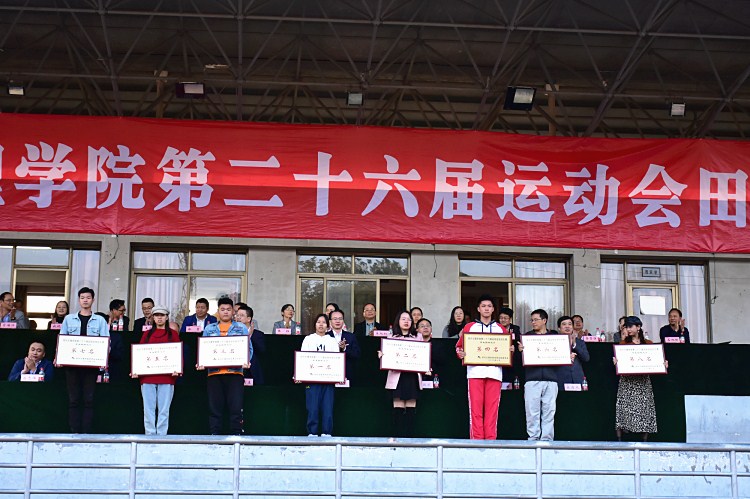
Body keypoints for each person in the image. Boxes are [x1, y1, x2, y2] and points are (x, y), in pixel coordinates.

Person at [455, 294, 509, 440]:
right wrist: (460, 353)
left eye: (489, 306)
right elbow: (458, 347)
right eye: (483, 306)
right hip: (475, 373)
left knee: (492, 410)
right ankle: (477, 440)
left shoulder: (500, 329)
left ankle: (491, 440)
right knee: (475, 409)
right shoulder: (469, 327)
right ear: (478, 309)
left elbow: (508, 349)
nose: (486, 309)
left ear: (493, 309)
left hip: (495, 373)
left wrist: (510, 350)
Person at [59, 287, 109, 433]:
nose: (85, 300)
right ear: (79, 300)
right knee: (73, 399)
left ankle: (86, 432)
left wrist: (103, 361)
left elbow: (106, 342)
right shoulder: (69, 319)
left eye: (88, 297)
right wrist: (60, 357)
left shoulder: (100, 320)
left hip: (91, 367)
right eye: (82, 298)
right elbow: (62, 340)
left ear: (93, 300)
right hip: (72, 366)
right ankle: (74, 431)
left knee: (89, 400)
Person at [200, 297, 252, 435]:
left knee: (236, 407)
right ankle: (215, 435)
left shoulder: (240, 327)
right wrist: (202, 362)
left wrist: (247, 360)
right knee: (214, 407)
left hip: (235, 373)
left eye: (228, 309)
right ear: (218, 311)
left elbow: (249, 348)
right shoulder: (209, 328)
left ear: (233, 312)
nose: (225, 312)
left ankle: (236, 435)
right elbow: (203, 349)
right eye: (222, 309)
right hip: (214, 373)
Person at [614, 315, 667, 441]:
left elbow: (657, 361)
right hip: (627, 382)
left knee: (645, 410)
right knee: (624, 409)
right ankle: (620, 440)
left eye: (630, 326)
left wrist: (662, 364)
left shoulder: (648, 344)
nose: (628, 329)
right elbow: (621, 362)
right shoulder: (623, 344)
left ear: (638, 327)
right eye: (626, 327)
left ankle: (644, 440)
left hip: (643, 381)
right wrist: (617, 363)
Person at [133, 305, 179, 435]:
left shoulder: (173, 334)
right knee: (148, 409)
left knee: (164, 409)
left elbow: (178, 354)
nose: (159, 318)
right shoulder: (146, 334)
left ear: (167, 317)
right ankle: (150, 435)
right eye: (157, 315)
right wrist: (136, 369)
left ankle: (162, 436)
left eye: (162, 315)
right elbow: (140, 354)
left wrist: (177, 369)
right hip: (148, 377)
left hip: (167, 377)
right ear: (153, 317)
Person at [519, 308, 559, 441]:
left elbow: (561, 355)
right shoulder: (527, 337)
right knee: (532, 412)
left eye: (536, 320)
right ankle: (533, 438)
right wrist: (520, 351)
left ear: (544, 320)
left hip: (551, 379)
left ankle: (547, 440)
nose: (533, 322)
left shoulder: (555, 337)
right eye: (532, 320)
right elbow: (519, 362)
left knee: (549, 411)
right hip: (532, 379)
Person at [381, 311, 421, 437]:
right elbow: (386, 356)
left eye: (409, 319)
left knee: (411, 407)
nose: (406, 321)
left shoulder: (418, 337)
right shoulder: (391, 338)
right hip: (397, 377)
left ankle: (410, 439)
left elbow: (423, 356)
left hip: (412, 376)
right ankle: (397, 439)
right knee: (398, 407)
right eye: (403, 319)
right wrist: (382, 356)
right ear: (398, 321)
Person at [300, 313, 340, 437]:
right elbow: (303, 358)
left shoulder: (332, 341)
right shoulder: (308, 339)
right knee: (312, 407)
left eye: (323, 322)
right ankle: (312, 432)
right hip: (312, 379)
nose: (321, 325)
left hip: (328, 380)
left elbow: (336, 360)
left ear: (328, 325)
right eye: (318, 322)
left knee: (327, 407)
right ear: (315, 324)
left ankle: (326, 432)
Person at [556, 315, 590, 389]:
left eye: (570, 324)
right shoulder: (555, 342)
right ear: (559, 328)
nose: (567, 326)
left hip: (577, 379)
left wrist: (574, 345)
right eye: (564, 324)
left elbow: (586, 358)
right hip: (561, 380)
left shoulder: (580, 342)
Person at [327, 309, 361, 383]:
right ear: (330, 321)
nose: (338, 321)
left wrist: (345, 349)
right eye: (335, 319)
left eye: (340, 319)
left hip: (347, 374)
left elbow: (357, 354)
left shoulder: (351, 336)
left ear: (343, 321)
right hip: (329, 373)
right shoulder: (326, 336)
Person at [235, 305, 266, 385]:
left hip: (253, 371)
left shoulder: (258, 334)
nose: (238, 318)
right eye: (237, 315)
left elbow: (261, 351)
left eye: (241, 315)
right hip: (236, 371)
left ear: (249, 319)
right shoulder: (232, 333)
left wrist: (249, 336)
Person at [417, 318, 445, 386]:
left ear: (431, 329)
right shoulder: (414, 345)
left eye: (428, 326)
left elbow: (442, 363)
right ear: (417, 330)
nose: (425, 327)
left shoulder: (438, 345)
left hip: (434, 378)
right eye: (422, 326)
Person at [497, 306, 523, 384]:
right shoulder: (496, 328)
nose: (503, 320)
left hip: (512, 359)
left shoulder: (515, 329)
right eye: (501, 318)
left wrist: (515, 349)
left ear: (510, 319)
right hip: (499, 359)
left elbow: (518, 342)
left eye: (505, 318)